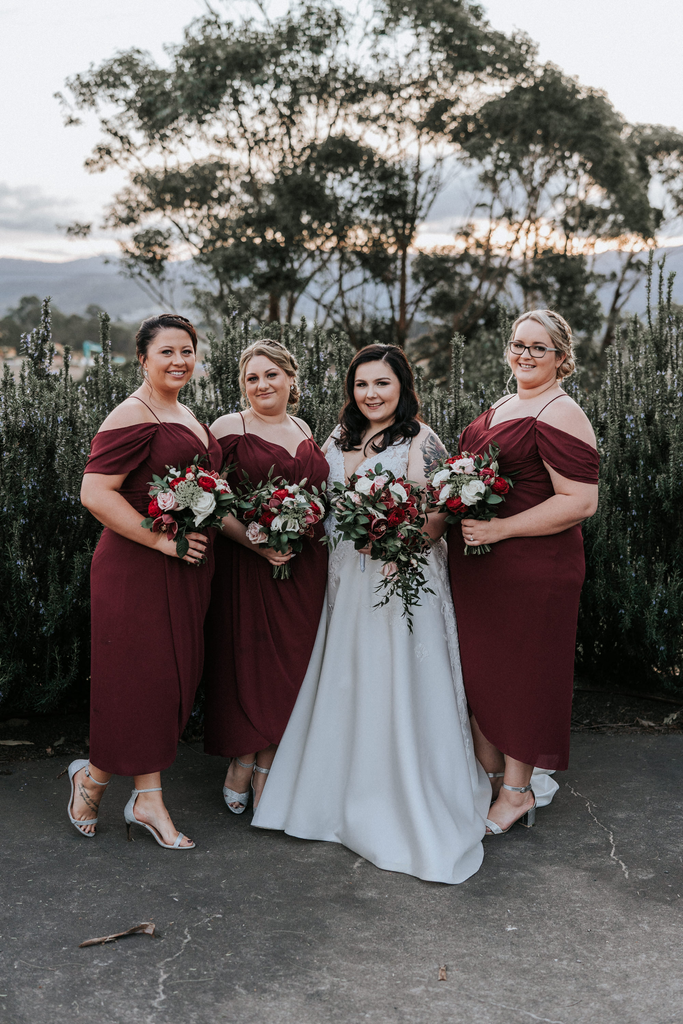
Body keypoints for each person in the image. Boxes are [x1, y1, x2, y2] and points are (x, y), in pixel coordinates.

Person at [252, 344, 491, 885]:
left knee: (397, 677)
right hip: (343, 578)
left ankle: (401, 791)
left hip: (400, 576)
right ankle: (338, 789)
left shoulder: (419, 440)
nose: (371, 394)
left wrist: (400, 547)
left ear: (402, 388)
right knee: (348, 676)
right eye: (362, 385)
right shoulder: (336, 439)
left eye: (382, 384)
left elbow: (438, 512)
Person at [69, 313, 222, 850]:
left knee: (168, 681)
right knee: (138, 680)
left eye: (187, 351)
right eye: (167, 352)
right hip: (137, 567)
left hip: (184, 569)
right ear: (143, 359)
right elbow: (95, 494)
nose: (179, 361)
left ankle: (98, 778)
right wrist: (161, 541)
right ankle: (145, 799)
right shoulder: (131, 413)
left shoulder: (184, 412)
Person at [448, 310, 599, 836]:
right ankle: (492, 779)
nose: (526, 355)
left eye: (539, 348)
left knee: (524, 677)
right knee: (483, 675)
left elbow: (580, 501)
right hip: (482, 570)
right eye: (518, 345)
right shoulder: (506, 402)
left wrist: (499, 531)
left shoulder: (562, 411)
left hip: (535, 569)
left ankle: (517, 791)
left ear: (562, 357)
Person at [203, 340, 329, 813]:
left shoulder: (303, 427)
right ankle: (241, 758)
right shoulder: (228, 428)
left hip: (304, 569)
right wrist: (256, 542)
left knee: (293, 666)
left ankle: (269, 763)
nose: (262, 385)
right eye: (252, 378)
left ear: (292, 379)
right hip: (248, 566)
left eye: (271, 375)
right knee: (248, 659)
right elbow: (208, 502)